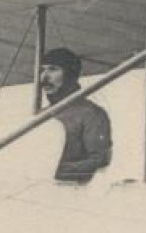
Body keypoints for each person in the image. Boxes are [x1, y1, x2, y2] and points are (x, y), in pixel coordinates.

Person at [38, 47, 112, 183]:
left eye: (53, 69)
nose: (44, 77)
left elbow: (100, 159)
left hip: (73, 190)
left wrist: (58, 170)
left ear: (70, 74)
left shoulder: (91, 113)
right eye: (43, 70)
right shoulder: (41, 115)